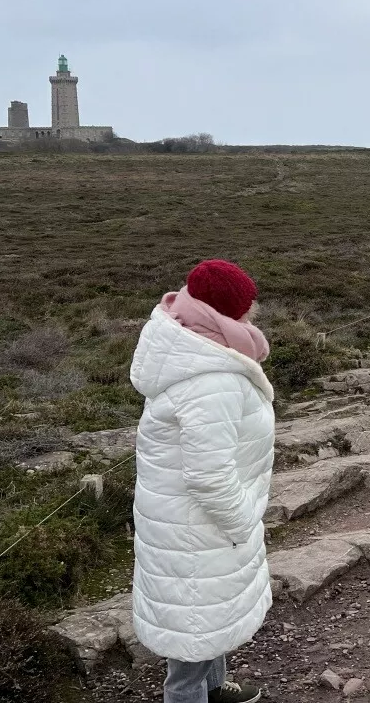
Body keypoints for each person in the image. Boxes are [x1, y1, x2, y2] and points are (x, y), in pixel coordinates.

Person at [130, 259, 276, 703]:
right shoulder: (210, 380)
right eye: (246, 307)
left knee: (204, 621)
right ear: (223, 312)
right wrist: (242, 522)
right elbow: (209, 476)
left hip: (190, 522)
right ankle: (194, 695)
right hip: (199, 526)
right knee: (194, 629)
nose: (253, 313)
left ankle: (215, 691)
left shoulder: (196, 346)